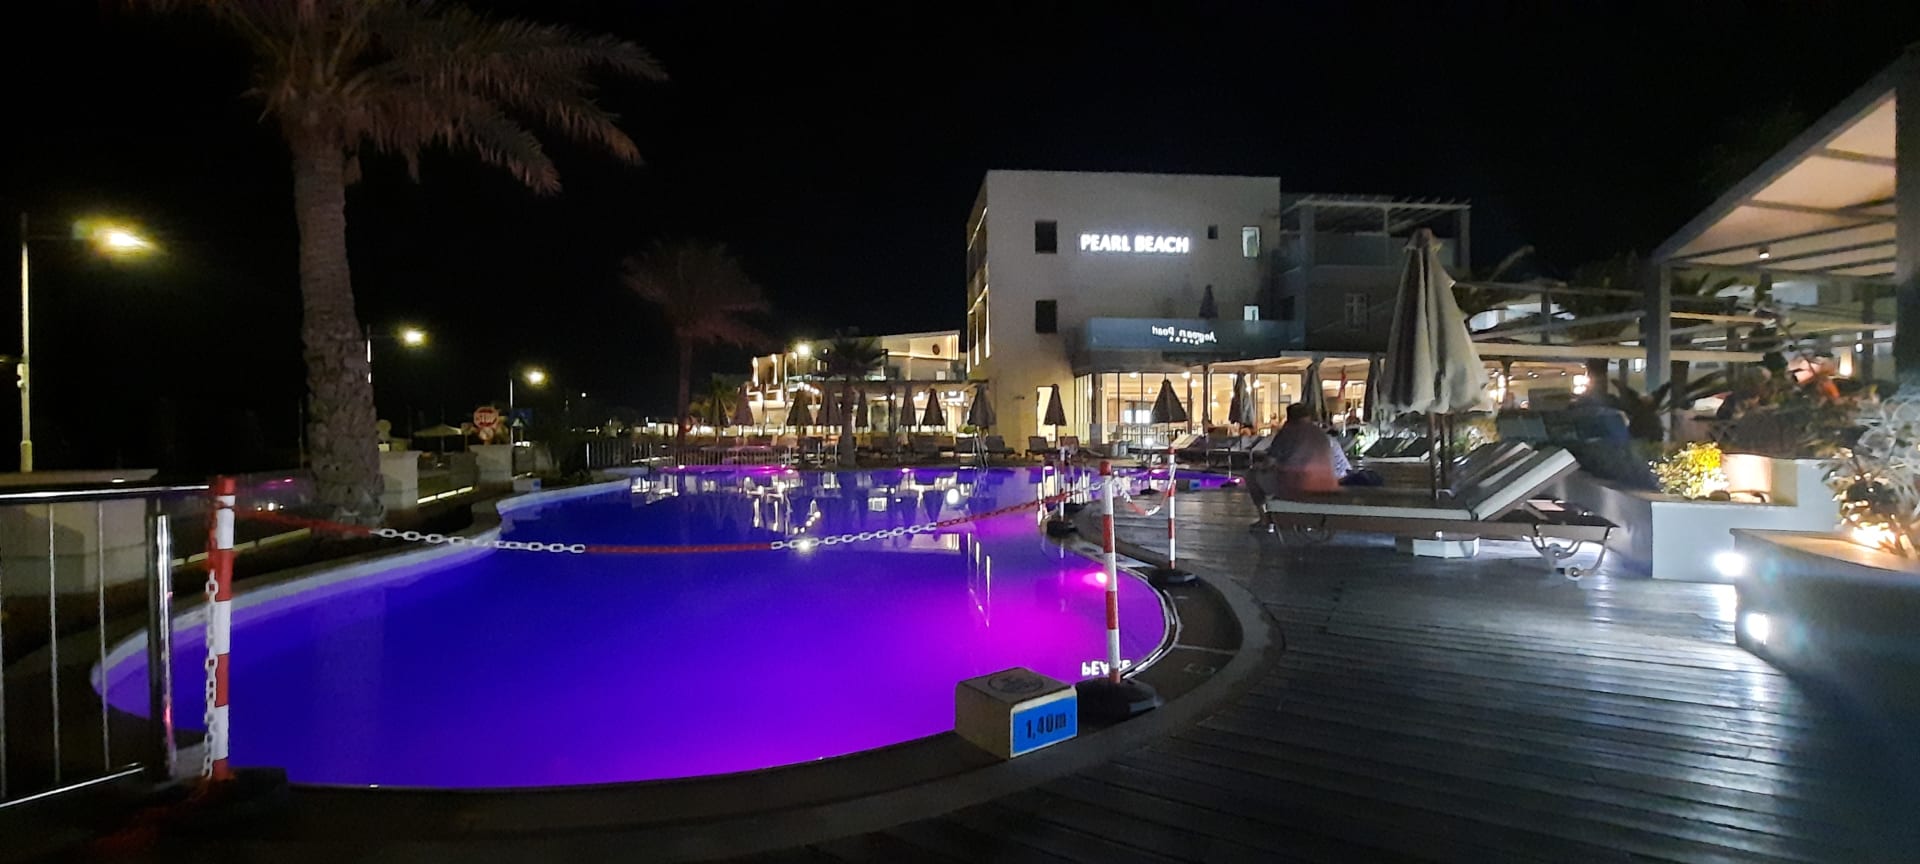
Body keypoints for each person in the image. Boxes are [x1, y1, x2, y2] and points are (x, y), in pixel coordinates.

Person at [1246, 403, 1344, 530]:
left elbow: (1269, 462)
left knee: (1252, 475)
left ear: (1289, 417)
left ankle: (1264, 519)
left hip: (1297, 483)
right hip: (1327, 483)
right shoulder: (1320, 433)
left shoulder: (1287, 432)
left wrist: (1259, 466)